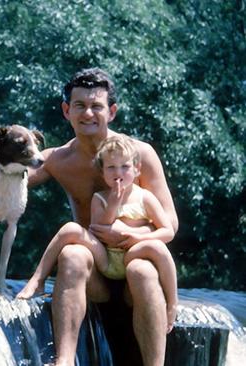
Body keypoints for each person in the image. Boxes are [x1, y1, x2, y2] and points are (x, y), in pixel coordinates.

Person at [15, 68, 178, 366]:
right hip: (96, 269)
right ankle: (63, 360)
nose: (88, 113)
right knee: (73, 253)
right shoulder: (56, 159)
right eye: (79, 106)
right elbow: (6, 176)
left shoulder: (139, 155)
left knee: (143, 269)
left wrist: (134, 235)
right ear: (66, 110)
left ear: (112, 111)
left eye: (97, 106)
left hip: (135, 264)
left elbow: (171, 222)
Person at [18, 134, 178, 331]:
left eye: (125, 167)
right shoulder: (100, 199)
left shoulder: (146, 198)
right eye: (111, 168)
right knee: (70, 229)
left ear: (137, 170)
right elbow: (99, 230)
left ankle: (171, 303)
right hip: (107, 260)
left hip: (132, 255)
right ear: (103, 173)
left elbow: (168, 231)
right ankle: (37, 279)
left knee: (157, 247)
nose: (118, 173)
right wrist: (112, 206)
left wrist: (138, 237)